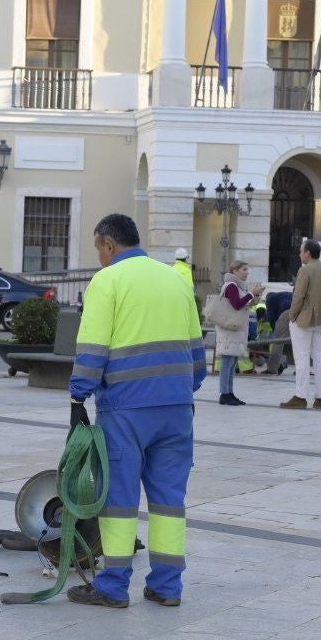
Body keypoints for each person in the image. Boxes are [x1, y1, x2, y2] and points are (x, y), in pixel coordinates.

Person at [66, 214, 205, 608]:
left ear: (108, 245)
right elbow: (197, 352)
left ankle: (112, 586)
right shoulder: (175, 280)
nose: (99, 257)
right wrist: (180, 389)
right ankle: (167, 586)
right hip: (177, 410)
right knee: (168, 502)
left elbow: (92, 347)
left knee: (120, 501)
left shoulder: (108, 281)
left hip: (127, 409)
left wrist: (79, 397)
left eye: (98, 249)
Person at [280, 239, 321, 410]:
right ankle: (320, 397)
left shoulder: (304, 270)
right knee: (319, 357)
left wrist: (292, 315)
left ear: (308, 253)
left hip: (304, 319)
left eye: (301, 251)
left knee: (301, 357)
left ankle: (300, 396)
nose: (299, 254)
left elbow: (298, 296)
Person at [210, 260, 263, 406]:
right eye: (244, 269)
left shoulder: (239, 286)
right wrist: (251, 294)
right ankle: (224, 394)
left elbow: (245, 303)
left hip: (235, 329)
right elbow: (237, 304)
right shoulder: (231, 286)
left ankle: (230, 392)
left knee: (232, 363)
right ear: (235, 271)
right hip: (229, 329)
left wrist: (255, 296)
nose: (247, 272)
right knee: (227, 362)